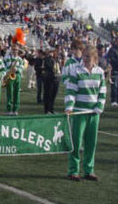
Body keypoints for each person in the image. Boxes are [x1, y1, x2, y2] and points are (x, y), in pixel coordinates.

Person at [65, 45, 106, 181]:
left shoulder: (100, 71)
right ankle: (73, 170)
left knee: (91, 143)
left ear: (95, 57)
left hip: (94, 113)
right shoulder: (76, 71)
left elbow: (102, 91)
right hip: (79, 112)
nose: (87, 59)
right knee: (76, 143)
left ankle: (89, 170)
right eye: (85, 56)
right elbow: (71, 91)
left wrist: (99, 106)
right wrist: (69, 107)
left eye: (89, 56)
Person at [3, 44, 25, 115]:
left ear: (18, 50)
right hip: (9, 75)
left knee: (16, 93)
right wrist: (9, 71)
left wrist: (17, 69)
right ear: (11, 50)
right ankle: (9, 109)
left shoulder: (20, 59)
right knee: (9, 93)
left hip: (17, 76)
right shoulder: (7, 57)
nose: (15, 51)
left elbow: (22, 68)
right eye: (14, 49)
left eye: (16, 50)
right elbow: (3, 67)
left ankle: (15, 109)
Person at [41, 48, 61, 114]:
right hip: (49, 79)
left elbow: (59, 67)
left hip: (56, 79)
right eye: (50, 52)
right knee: (48, 95)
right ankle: (47, 110)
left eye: (53, 52)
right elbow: (48, 66)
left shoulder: (56, 59)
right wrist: (52, 59)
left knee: (53, 95)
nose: (52, 53)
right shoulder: (47, 59)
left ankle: (51, 109)